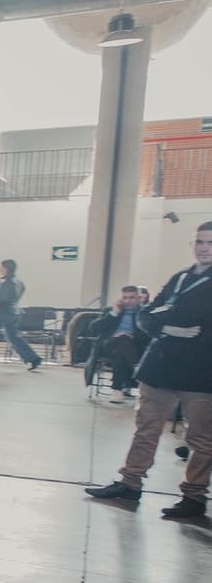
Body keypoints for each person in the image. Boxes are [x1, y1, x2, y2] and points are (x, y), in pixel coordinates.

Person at [86, 220, 212, 520]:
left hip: (200, 369)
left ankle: (193, 497)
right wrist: (172, 326)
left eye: (209, 242)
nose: (204, 248)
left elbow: (194, 318)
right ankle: (130, 483)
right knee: (146, 429)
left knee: (201, 439)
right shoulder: (180, 276)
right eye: (199, 242)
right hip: (161, 365)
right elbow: (147, 314)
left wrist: (172, 321)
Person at [84, 284, 149, 398]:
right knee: (122, 341)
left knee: (120, 352)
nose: (127, 301)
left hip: (133, 346)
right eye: (125, 297)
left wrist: (130, 336)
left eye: (131, 297)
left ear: (138, 298)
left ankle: (117, 390)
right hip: (109, 344)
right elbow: (93, 327)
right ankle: (138, 372)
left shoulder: (143, 313)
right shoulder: (111, 311)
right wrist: (114, 314)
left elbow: (149, 335)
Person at [0, 259, 42, 370]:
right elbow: (20, 292)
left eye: (1, 268)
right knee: (14, 337)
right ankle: (33, 358)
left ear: (6, 269)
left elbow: (3, 298)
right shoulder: (18, 282)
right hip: (15, 311)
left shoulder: (6, 282)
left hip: (3, 311)